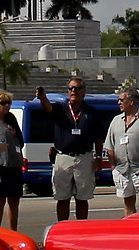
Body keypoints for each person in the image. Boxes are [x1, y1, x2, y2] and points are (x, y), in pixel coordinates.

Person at [34, 79, 103, 222]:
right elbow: (47, 108)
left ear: (84, 91)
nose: (73, 91)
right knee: (62, 197)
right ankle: (62, 227)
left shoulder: (91, 112)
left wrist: (98, 158)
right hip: (63, 157)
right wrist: (42, 97)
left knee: (82, 198)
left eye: (77, 88)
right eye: (71, 88)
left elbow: (98, 138)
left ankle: (81, 228)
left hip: (84, 157)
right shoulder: (61, 108)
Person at [102, 86, 139, 216]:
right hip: (122, 170)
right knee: (128, 203)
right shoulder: (116, 121)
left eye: (121, 100)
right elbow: (110, 146)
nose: (118, 103)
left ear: (132, 102)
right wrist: (113, 168)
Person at [0, 90, 26, 231]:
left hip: (14, 164)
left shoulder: (11, 118)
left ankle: (13, 231)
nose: (7, 106)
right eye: (3, 103)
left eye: (9, 103)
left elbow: (20, 139)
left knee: (14, 200)